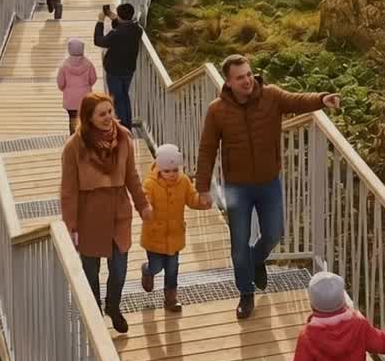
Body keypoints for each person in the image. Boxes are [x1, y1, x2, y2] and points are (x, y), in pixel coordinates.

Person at [195, 55, 341, 319]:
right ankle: (245, 293)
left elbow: (297, 100)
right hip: (237, 187)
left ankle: (257, 259)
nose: (247, 80)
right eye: (240, 77)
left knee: (274, 233)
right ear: (229, 82)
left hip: (268, 181)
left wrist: (321, 99)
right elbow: (207, 149)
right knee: (239, 243)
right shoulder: (217, 110)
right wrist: (203, 187)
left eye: (249, 74)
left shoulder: (271, 96)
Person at [60, 92, 152, 334]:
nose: (108, 117)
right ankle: (95, 314)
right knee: (90, 270)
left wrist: (143, 205)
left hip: (119, 212)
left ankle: (113, 306)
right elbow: (68, 191)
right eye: (102, 114)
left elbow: (132, 176)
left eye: (110, 111)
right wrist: (70, 226)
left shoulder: (124, 138)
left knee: (119, 269)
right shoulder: (74, 147)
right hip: (89, 216)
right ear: (88, 117)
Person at [140, 143, 210, 312]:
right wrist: (145, 207)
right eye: (167, 171)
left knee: (172, 269)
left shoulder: (183, 181)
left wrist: (201, 201)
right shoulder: (150, 184)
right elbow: (144, 200)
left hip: (175, 235)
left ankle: (170, 299)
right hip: (155, 236)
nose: (172, 174)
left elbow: (191, 198)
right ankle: (148, 270)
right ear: (159, 169)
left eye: (175, 170)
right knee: (157, 266)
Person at [94, 3, 143, 130]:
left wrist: (100, 22)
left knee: (117, 100)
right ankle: (127, 126)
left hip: (114, 70)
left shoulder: (116, 33)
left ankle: (121, 128)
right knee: (125, 97)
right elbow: (124, 30)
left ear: (120, 16)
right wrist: (114, 18)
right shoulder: (137, 29)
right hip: (128, 68)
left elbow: (99, 41)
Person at [57, 38, 97, 133]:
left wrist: (65, 89)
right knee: (84, 119)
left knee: (72, 119)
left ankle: (73, 136)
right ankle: (84, 136)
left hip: (70, 99)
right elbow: (93, 79)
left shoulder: (64, 66)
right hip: (85, 98)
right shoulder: (88, 64)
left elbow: (61, 83)